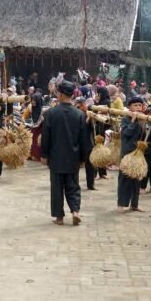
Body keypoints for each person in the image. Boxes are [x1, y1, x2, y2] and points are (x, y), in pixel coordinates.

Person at [41, 80, 88, 225]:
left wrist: (44, 155)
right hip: (73, 157)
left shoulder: (51, 113)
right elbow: (83, 139)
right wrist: (83, 158)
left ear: (60, 95)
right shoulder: (79, 114)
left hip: (56, 157)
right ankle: (75, 211)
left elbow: (46, 136)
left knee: (57, 187)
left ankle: (59, 217)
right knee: (73, 186)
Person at [117, 96, 146, 213]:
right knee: (125, 179)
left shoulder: (143, 119)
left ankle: (134, 204)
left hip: (138, 154)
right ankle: (121, 204)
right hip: (127, 154)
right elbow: (126, 134)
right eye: (135, 106)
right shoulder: (125, 119)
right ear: (130, 107)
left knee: (137, 180)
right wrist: (133, 121)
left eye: (140, 105)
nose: (138, 108)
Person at [75, 97, 97, 191]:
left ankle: (90, 184)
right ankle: (75, 185)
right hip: (77, 143)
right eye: (81, 105)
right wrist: (87, 119)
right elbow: (79, 128)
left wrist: (91, 119)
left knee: (90, 164)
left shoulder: (89, 113)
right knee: (75, 165)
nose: (84, 106)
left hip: (88, 142)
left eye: (84, 104)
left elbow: (94, 128)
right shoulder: (75, 115)